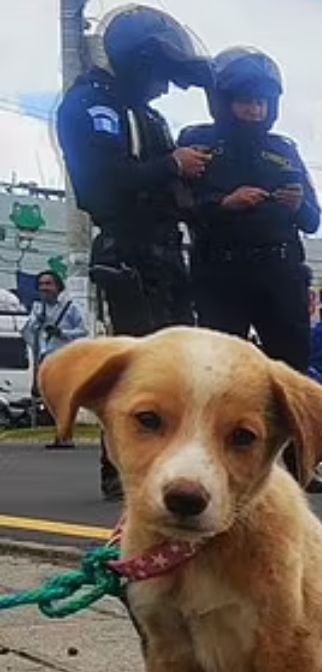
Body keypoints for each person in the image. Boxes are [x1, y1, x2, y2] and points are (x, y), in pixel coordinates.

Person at [55, 5, 212, 501]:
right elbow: (101, 183)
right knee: (136, 364)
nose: (164, 88)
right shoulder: (90, 105)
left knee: (178, 364)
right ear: (137, 62)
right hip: (127, 247)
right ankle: (119, 468)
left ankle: (166, 459)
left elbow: (169, 186)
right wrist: (171, 163)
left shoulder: (147, 114)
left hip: (166, 250)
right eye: (159, 76)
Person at [179, 46, 322, 493]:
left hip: (280, 272)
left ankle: (300, 464)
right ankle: (215, 461)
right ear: (223, 100)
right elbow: (178, 202)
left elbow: (313, 218)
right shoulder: (198, 141)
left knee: (292, 370)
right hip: (220, 274)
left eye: (262, 101)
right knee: (218, 372)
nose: (254, 108)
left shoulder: (283, 150)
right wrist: (224, 203)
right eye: (245, 99)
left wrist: (296, 203)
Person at [22, 271, 88, 449]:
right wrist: (37, 324)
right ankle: (60, 434)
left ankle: (65, 436)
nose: (44, 288)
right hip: (45, 359)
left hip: (64, 359)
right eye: (41, 284)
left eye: (48, 284)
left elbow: (83, 331)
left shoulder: (70, 307)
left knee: (64, 398)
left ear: (58, 287)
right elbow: (27, 332)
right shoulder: (37, 308)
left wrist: (62, 333)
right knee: (49, 399)